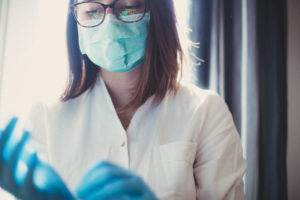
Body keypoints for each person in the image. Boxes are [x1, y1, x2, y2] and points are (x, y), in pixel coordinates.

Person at [0, 0, 247, 199]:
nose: (110, 23)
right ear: (75, 21)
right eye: (92, 10)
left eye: (127, 7)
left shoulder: (205, 112)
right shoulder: (46, 118)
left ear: (156, 12)